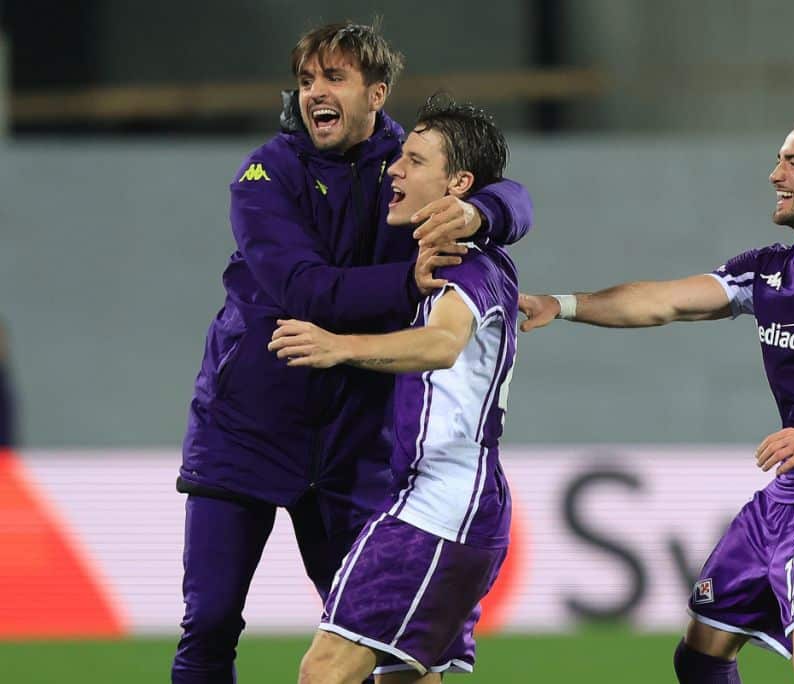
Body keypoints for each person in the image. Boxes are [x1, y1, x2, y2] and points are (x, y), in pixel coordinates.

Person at [518, 117, 794, 684]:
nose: (775, 174)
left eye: (793, 162)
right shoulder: (770, 269)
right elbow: (663, 301)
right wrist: (564, 304)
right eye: (779, 159)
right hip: (789, 490)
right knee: (700, 657)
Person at [174, 22, 532, 684]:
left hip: (355, 443)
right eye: (306, 80)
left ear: (377, 93)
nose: (315, 92)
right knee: (211, 624)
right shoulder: (264, 174)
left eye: (334, 77)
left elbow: (513, 196)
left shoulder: (403, 163)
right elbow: (301, 289)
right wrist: (407, 282)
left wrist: (480, 214)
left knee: (381, 649)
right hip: (245, 433)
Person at [268, 94, 518, 684]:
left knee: (324, 672)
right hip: (451, 504)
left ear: (458, 185)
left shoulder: (466, 264)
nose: (394, 171)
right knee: (406, 677)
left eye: (414, 161)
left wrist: (339, 345)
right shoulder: (452, 260)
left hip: (440, 508)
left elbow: (443, 343)